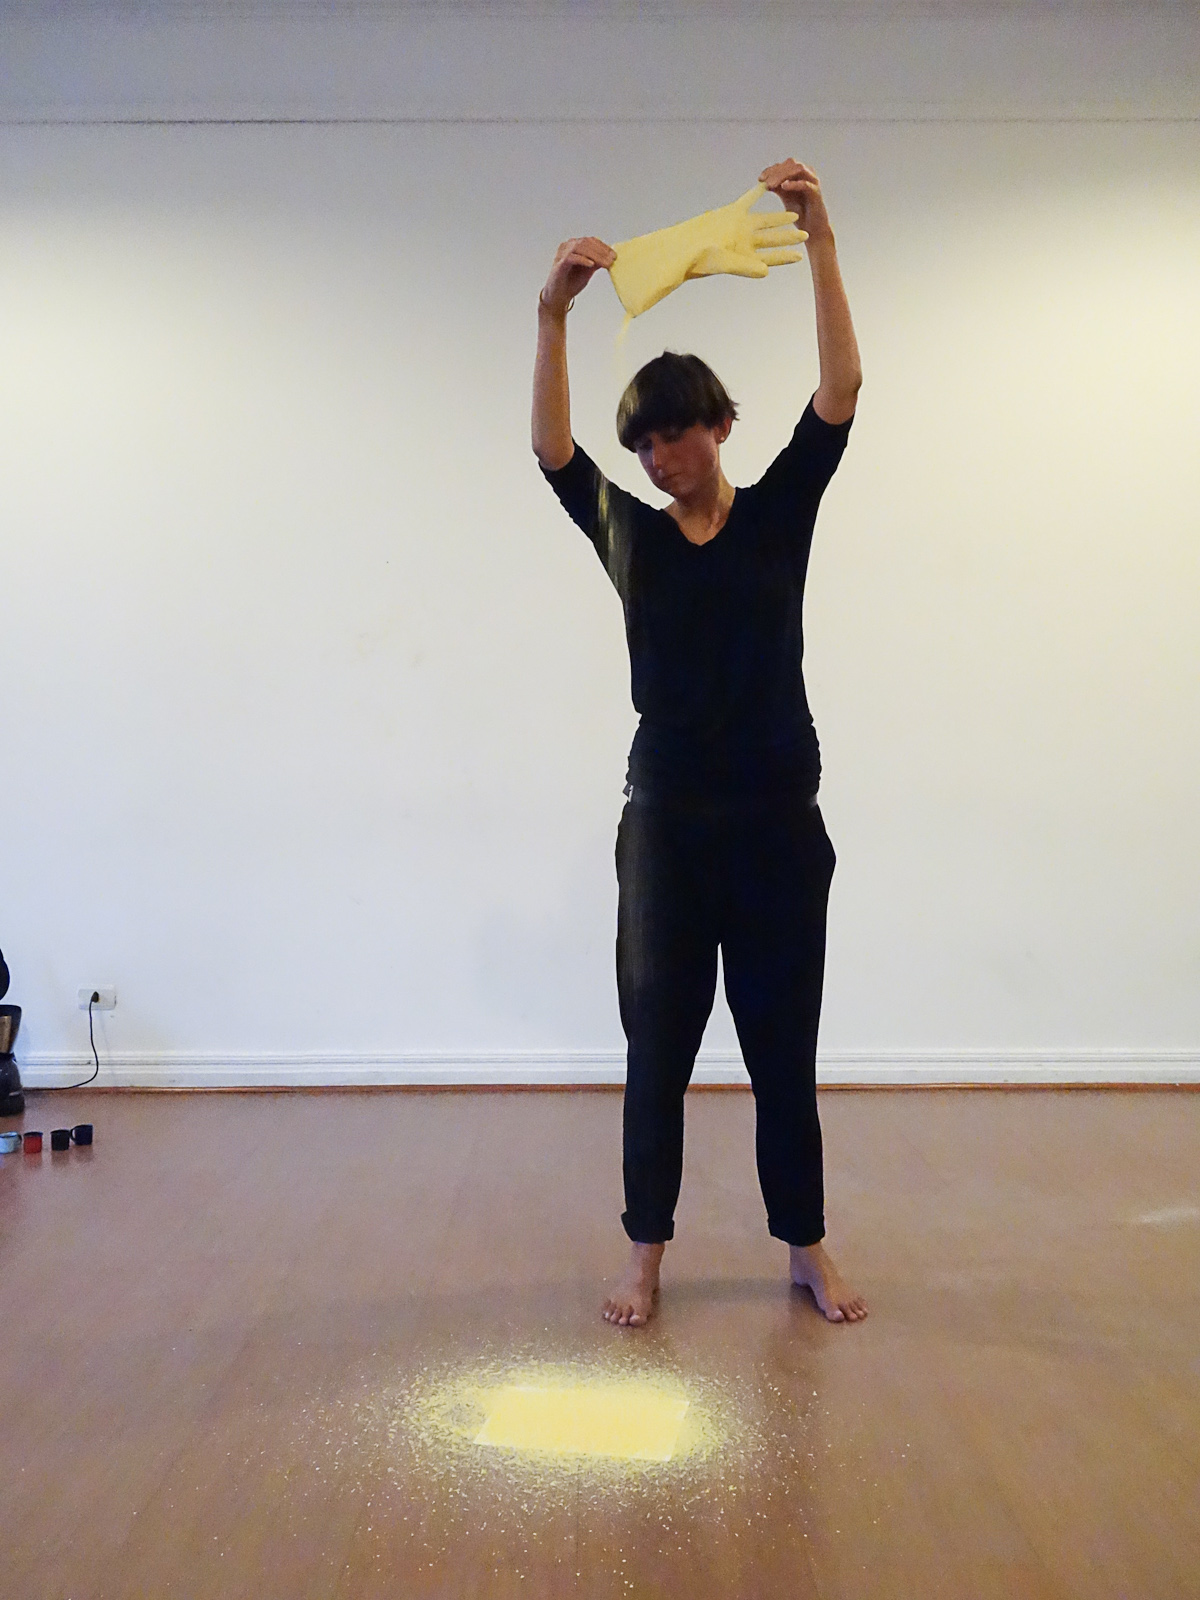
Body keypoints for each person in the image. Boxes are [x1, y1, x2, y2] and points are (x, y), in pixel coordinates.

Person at [532, 159, 867, 1327]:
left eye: (675, 434)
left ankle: (805, 1245)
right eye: (644, 445)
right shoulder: (629, 534)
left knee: (783, 1050)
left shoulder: (777, 515)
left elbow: (841, 390)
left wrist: (822, 243)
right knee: (659, 1051)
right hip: (668, 829)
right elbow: (554, 454)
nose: (659, 457)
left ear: (719, 426)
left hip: (779, 826)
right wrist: (551, 318)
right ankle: (645, 1253)